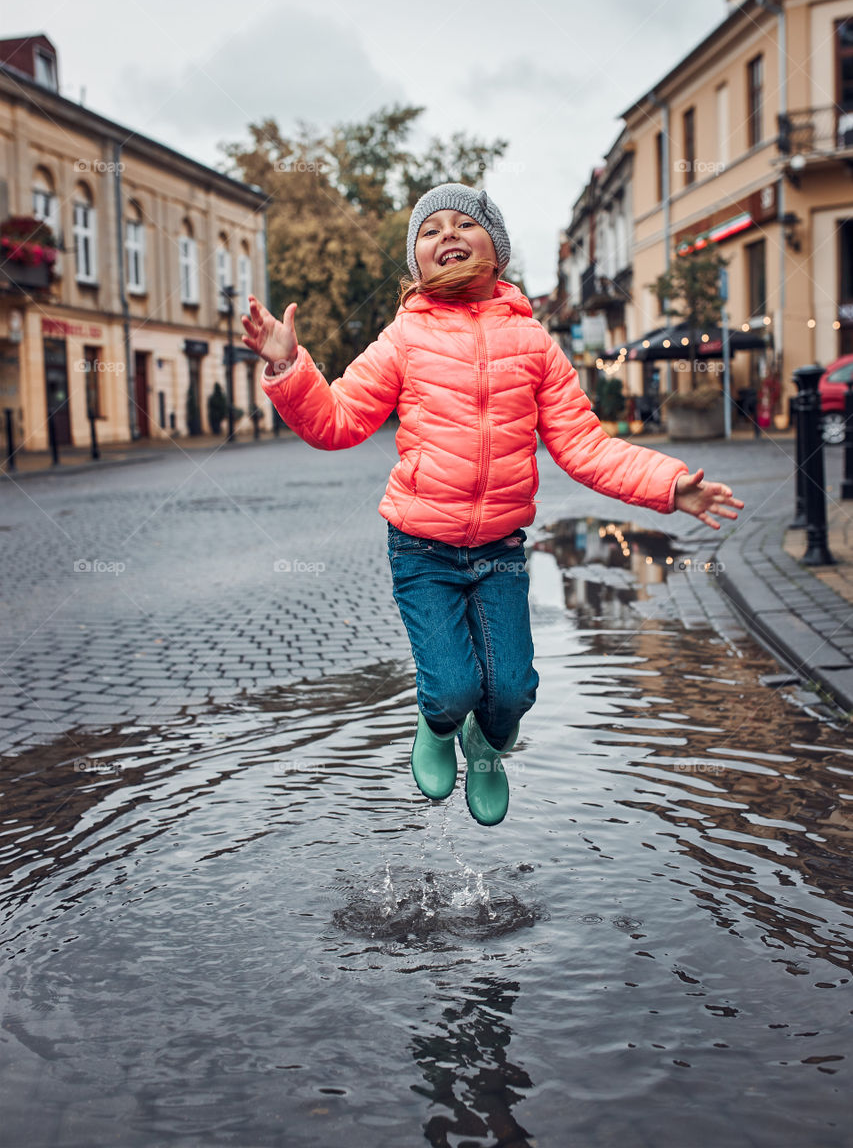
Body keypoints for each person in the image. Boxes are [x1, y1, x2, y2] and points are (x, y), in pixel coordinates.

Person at [241, 183, 743, 827]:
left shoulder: (534, 344)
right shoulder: (403, 339)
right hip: (422, 549)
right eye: (430, 230)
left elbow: (585, 445)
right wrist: (290, 370)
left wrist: (671, 485)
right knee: (452, 687)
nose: (447, 234)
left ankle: (484, 747)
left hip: (500, 552)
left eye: (464, 224)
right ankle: (438, 722)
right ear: (417, 261)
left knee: (511, 692)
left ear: (497, 253)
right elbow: (337, 420)